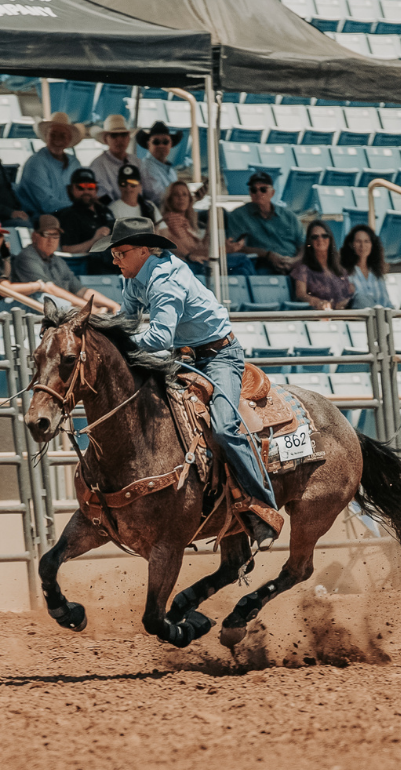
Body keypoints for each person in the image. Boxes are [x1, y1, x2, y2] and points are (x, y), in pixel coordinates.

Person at [94, 217, 281, 550]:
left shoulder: (166, 281)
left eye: (120, 252)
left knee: (224, 428)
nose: (114, 259)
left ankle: (262, 505)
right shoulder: (137, 276)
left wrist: (116, 343)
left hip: (219, 357)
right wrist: (101, 330)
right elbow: (127, 320)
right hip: (187, 357)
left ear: (142, 250)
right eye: (114, 253)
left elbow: (159, 337)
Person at [13, 215, 120, 313]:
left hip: (59, 316)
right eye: (46, 234)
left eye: (55, 235)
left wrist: (113, 305)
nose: (51, 240)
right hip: (31, 316)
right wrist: (91, 310)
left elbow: (81, 290)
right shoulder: (27, 256)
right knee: (46, 298)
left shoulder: (57, 260)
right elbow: (49, 288)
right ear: (34, 237)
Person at [225, 171, 304, 274]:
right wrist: (268, 255)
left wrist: (295, 261)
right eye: (254, 190)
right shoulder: (239, 215)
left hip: (294, 264)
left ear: (272, 193)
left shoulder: (289, 216)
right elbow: (234, 247)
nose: (258, 193)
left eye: (263, 189)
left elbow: (303, 244)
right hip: (262, 265)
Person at [17, 112, 85, 216]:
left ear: (69, 139)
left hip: (69, 215)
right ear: (46, 137)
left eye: (63, 135)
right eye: (53, 134)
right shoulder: (35, 163)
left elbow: (81, 193)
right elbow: (47, 204)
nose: (57, 139)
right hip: (43, 219)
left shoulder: (74, 162)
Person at [53, 168, 115, 273]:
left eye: (90, 187)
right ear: (72, 190)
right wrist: (94, 241)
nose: (86, 191)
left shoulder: (105, 210)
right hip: (90, 266)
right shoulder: (69, 215)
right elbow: (66, 249)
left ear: (96, 189)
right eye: (80, 187)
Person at [291, 221, 354, 310]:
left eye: (324, 236)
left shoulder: (339, 268)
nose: (320, 239)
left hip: (347, 312)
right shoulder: (303, 268)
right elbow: (301, 294)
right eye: (315, 237)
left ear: (330, 239)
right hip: (324, 314)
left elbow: (350, 293)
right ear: (309, 241)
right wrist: (319, 303)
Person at [136, 122, 194, 206]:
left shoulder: (171, 171)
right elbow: (158, 198)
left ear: (171, 144)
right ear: (148, 144)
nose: (161, 145)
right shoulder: (146, 167)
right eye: (156, 142)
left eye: (165, 142)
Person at [88, 114, 141, 204]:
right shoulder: (98, 165)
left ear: (129, 138)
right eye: (114, 136)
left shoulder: (136, 161)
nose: (119, 140)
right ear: (106, 139)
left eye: (123, 135)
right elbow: (104, 198)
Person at [341, 224, 393, 309]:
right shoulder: (345, 273)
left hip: (381, 319)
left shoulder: (377, 274)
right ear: (351, 244)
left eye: (366, 241)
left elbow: (386, 302)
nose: (362, 245)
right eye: (358, 241)